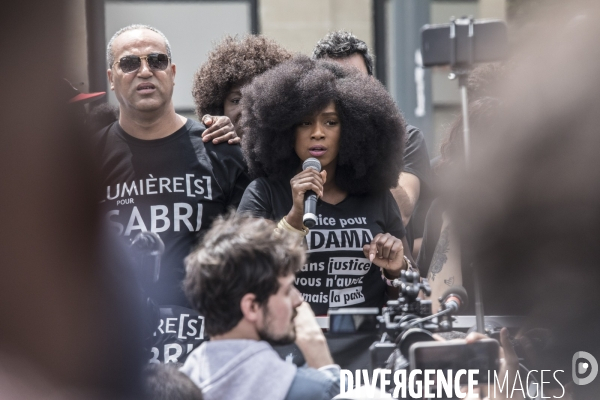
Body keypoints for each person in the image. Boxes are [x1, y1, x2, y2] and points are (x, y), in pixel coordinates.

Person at [94, 24, 250, 362]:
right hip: (116, 351)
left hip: (207, 352)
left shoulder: (222, 150)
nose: (145, 70)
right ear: (111, 76)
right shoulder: (85, 161)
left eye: (156, 60)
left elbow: (247, 255)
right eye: (129, 63)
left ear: (173, 72)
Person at [238, 56, 416, 316]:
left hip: (366, 347)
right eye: (305, 122)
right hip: (293, 345)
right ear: (286, 130)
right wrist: (294, 218)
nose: (318, 132)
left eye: (330, 122)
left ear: (353, 130)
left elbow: (412, 296)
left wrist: (395, 270)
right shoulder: (263, 194)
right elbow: (245, 278)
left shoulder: (377, 198)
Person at [180, 215, 340, 400]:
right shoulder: (313, 390)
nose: (298, 300)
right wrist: (325, 368)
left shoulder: (173, 389)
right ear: (252, 307)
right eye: (287, 290)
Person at [312, 30, 433, 258]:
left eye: (353, 80)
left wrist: (367, 142)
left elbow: (401, 212)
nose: (343, 91)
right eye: (334, 80)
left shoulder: (406, 139)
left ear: (372, 85)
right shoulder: (306, 138)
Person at [192, 34, 292, 139]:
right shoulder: (209, 153)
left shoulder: (299, 152)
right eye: (236, 101)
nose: (245, 111)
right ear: (220, 109)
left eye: (256, 99)